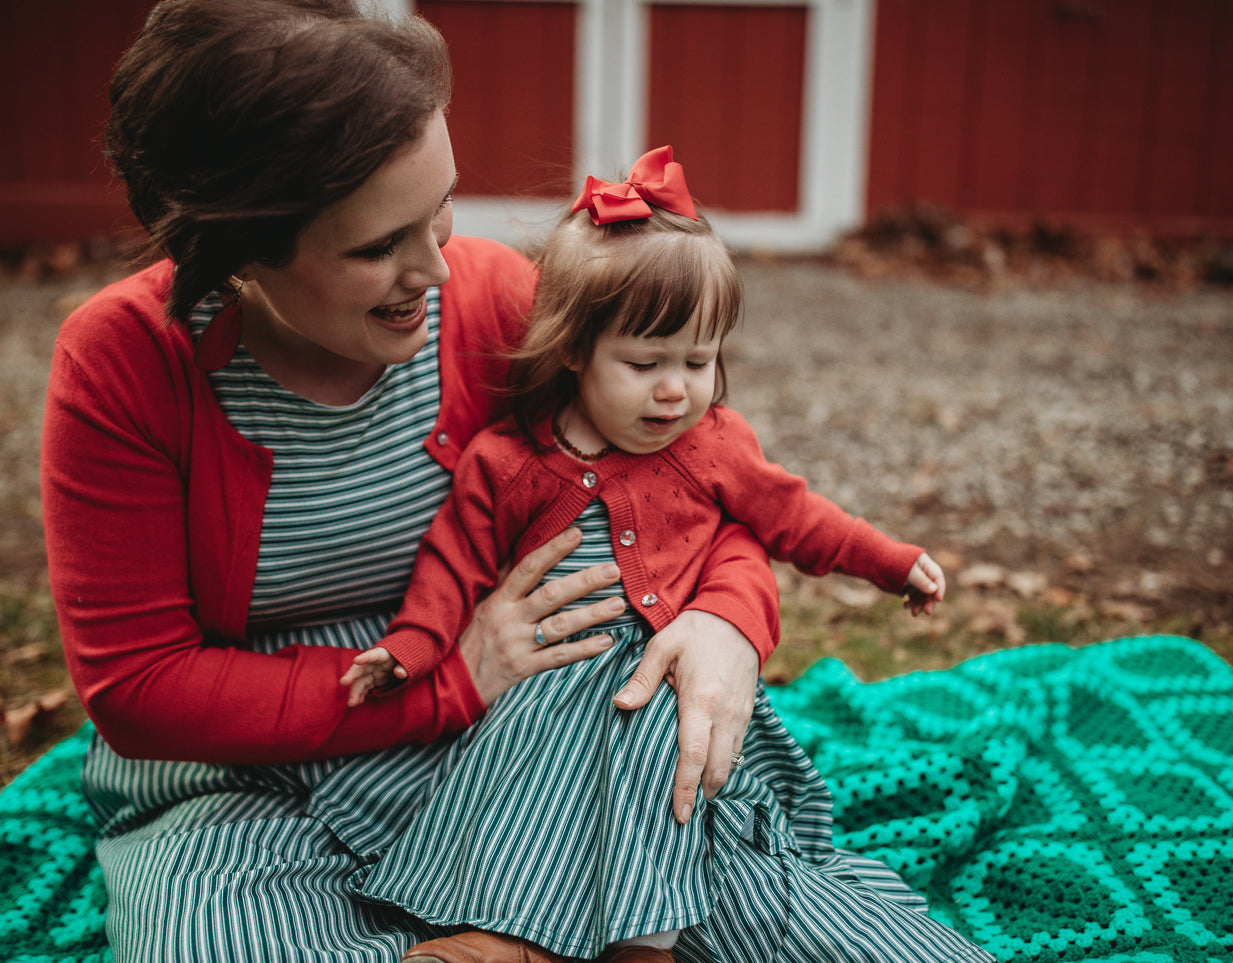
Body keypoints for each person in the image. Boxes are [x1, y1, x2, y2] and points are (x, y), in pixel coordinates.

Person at [41, 2, 786, 960]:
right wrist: (451, 681)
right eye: (374, 247)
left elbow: (699, 475)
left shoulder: (493, 302)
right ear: (237, 252)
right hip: (236, 786)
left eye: (439, 209)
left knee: (750, 917)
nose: (433, 268)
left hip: (511, 752)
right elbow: (139, 686)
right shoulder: (124, 361)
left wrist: (728, 618)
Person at [337, 148, 988, 963]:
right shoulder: (505, 462)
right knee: (524, 778)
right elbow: (450, 565)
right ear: (574, 350)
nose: (675, 390)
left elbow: (795, 517)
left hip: (667, 673)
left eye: (698, 360)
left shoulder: (712, 445)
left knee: (658, 749)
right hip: (547, 680)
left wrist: (890, 561)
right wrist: (409, 647)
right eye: (644, 365)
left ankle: (641, 943)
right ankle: (502, 936)